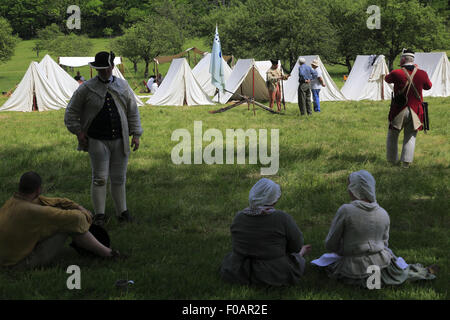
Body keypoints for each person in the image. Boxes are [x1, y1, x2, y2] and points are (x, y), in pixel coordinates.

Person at [315, 170, 437, 288]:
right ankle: (411, 274)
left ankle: (367, 280)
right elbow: (385, 244)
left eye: (350, 186)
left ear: (356, 188)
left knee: (326, 262)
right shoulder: (383, 213)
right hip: (381, 264)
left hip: (354, 269)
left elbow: (330, 245)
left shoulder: (346, 211)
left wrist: (342, 250)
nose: (348, 190)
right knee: (397, 271)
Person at [64, 51, 143, 226]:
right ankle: (99, 215)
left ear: (112, 67)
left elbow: (132, 111)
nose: (104, 72)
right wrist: (78, 131)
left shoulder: (123, 85)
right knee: (99, 178)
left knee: (119, 178)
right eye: (101, 69)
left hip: (120, 139)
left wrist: (136, 134)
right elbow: (71, 112)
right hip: (97, 140)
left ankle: (122, 212)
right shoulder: (86, 88)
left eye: (107, 68)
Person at [0, 172, 120, 268]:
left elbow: (54, 201)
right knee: (67, 224)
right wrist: (87, 214)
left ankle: (105, 252)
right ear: (38, 190)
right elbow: (77, 219)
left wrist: (77, 206)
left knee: (62, 219)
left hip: (5, 257)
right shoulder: (35, 211)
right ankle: (109, 254)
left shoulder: (13, 201)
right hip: (18, 264)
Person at [220, 178, 312, 286]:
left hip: (239, 270)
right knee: (295, 258)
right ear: (274, 199)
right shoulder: (281, 218)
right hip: (272, 272)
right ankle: (301, 254)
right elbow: (296, 246)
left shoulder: (239, 217)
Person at [385, 49, 432, 168]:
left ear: (403, 59)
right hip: (416, 111)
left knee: (392, 135)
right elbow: (428, 86)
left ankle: (392, 161)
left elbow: (387, 79)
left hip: (399, 110)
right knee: (410, 137)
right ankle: (405, 164)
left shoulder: (397, 72)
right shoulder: (422, 73)